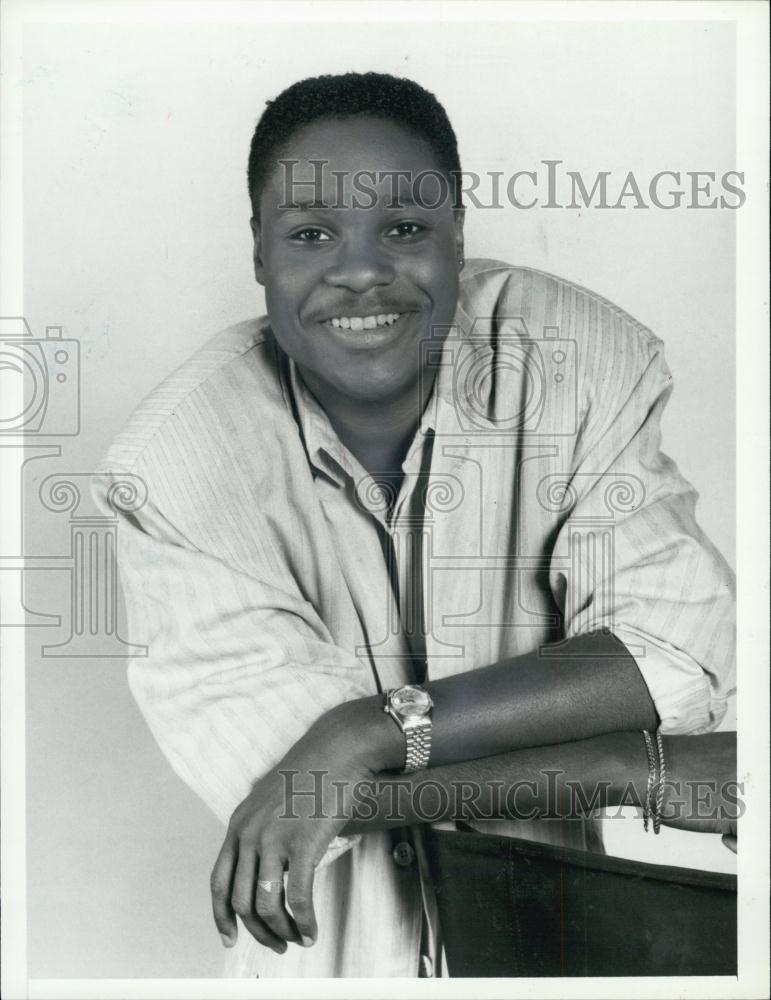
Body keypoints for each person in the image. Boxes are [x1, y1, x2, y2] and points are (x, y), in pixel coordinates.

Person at [94, 72, 736, 978]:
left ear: (458, 236)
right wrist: (625, 768)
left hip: (561, 955)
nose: (361, 269)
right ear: (257, 251)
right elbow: (307, 801)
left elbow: (672, 655)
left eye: (404, 228)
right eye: (311, 234)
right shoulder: (175, 462)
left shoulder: (578, 356)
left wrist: (361, 733)